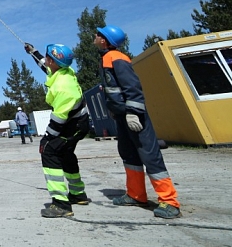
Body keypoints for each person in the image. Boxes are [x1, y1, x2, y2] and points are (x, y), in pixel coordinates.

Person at [95, 25, 181, 219]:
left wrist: (133, 112)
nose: (95, 36)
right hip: (122, 117)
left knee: (149, 154)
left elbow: (133, 87)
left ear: (105, 40)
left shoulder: (117, 58)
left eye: (98, 34)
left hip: (134, 117)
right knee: (128, 153)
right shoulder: (105, 59)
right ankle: (136, 194)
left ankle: (169, 201)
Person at [24, 42, 90, 218]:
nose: (45, 60)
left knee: (49, 151)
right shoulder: (61, 71)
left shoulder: (62, 87)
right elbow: (45, 66)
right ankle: (77, 194)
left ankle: (61, 204)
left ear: (53, 62)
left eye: (48, 57)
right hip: (75, 122)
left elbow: (58, 119)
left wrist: (46, 138)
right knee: (66, 154)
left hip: (72, 125)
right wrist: (33, 52)